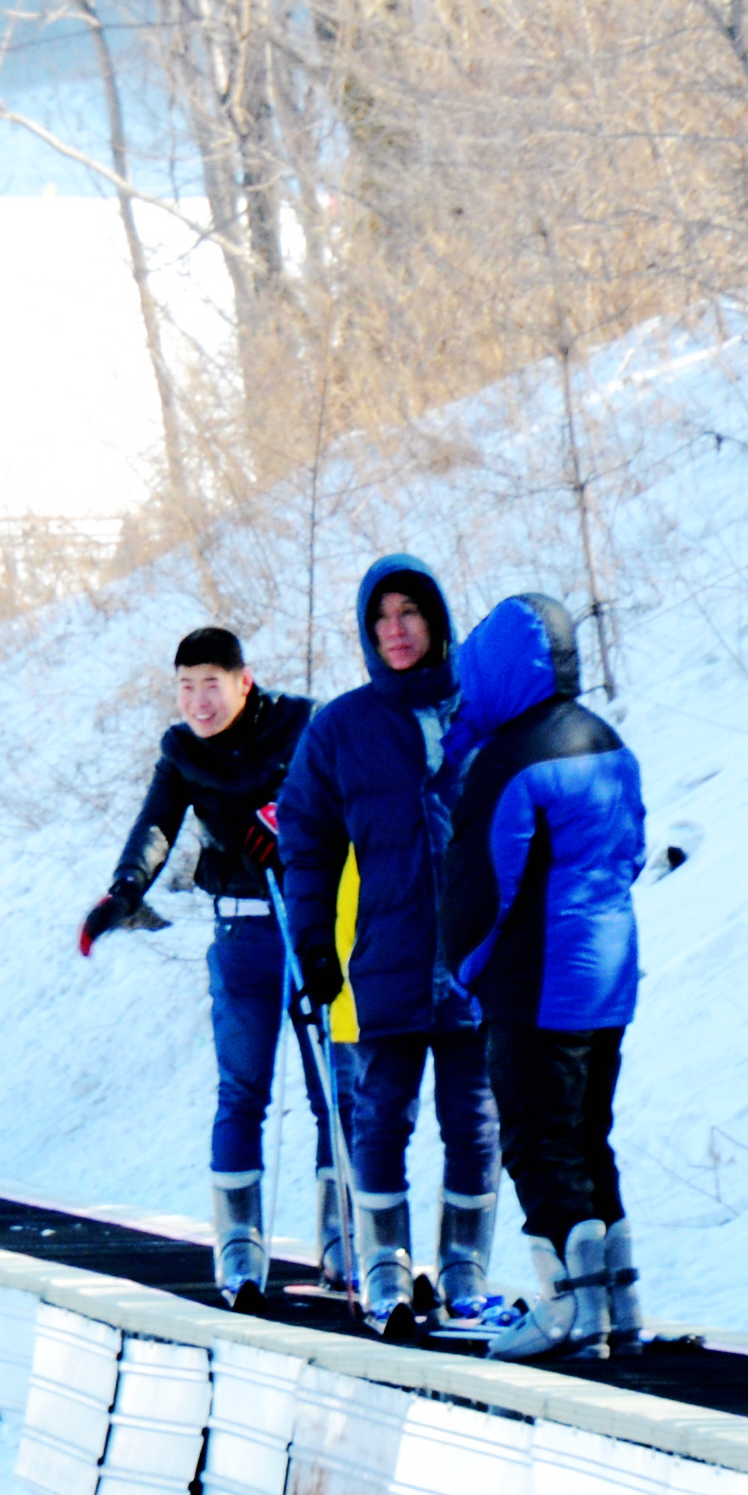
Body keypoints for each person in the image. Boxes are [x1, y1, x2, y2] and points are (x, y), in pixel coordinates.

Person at [274, 557, 494, 1320]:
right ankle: (386, 1264)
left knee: (475, 1119)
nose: (395, 630)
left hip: (474, 959)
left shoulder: (483, 709)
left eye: (409, 613)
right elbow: (304, 842)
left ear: (436, 620)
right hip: (386, 959)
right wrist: (312, 944)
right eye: (381, 618)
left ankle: (465, 1265)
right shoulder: (342, 727)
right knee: (381, 1115)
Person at [77, 626, 324, 1305]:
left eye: (210, 684)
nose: (198, 701)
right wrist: (124, 890)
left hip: (311, 931)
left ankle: (342, 1237)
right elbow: (155, 826)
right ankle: (239, 1244)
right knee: (241, 1089)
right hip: (240, 934)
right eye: (185, 687)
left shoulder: (301, 724)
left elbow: (338, 794)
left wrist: (287, 820)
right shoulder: (182, 751)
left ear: (244, 681)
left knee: (334, 1087)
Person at [442, 594, 649, 1358]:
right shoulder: (607, 738)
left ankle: (567, 1311)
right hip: (610, 972)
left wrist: (463, 965)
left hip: (535, 976)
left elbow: (482, 883)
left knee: (536, 1140)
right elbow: (630, 852)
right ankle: (617, 1304)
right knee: (589, 1135)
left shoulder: (509, 759)